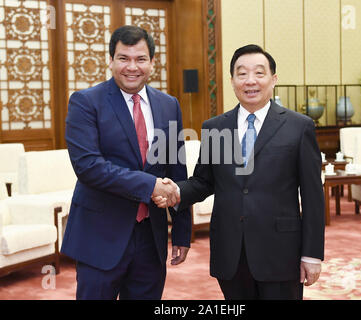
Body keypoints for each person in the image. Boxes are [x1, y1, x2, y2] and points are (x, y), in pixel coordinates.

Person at [155, 44, 325, 300]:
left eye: (259, 73)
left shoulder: (299, 127)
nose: (250, 81)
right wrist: (176, 191)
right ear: (232, 80)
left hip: (281, 252)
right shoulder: (215, 127)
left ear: (273, 79)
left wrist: (312, 254)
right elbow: (203, 182)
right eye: (242, 74)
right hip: (230, 252)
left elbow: (313, 196)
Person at [61, 25, 192, 300]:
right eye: (123, 58)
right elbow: (89, 167)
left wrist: (181, 232)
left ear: (152, 63)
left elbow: (176, 170)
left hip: (151, 239)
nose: (132, 67)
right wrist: (151, 185)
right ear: (110, 61)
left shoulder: (169, 105)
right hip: (100, 237)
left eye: (140, 59)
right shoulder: (85, 102)